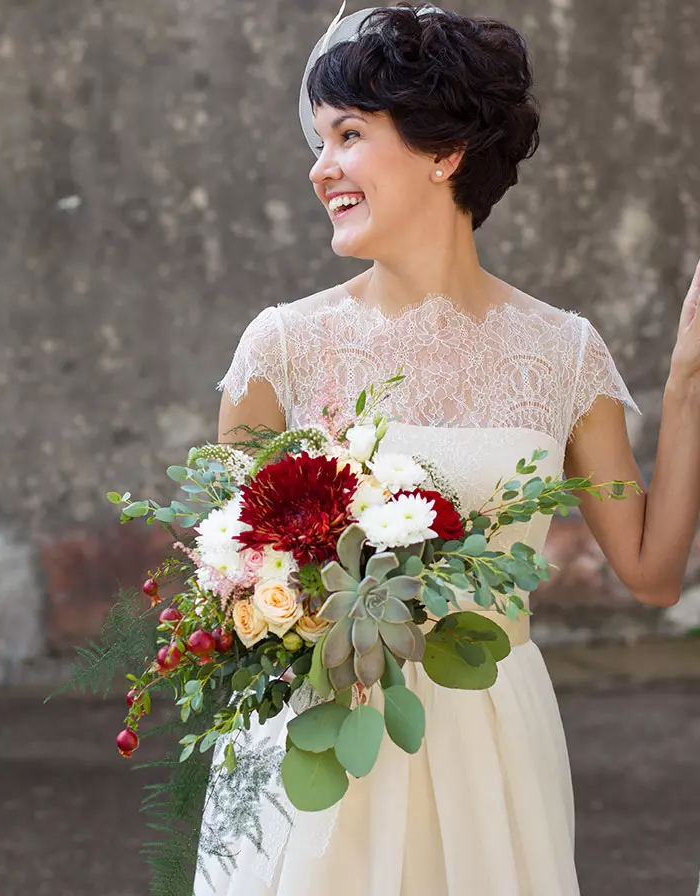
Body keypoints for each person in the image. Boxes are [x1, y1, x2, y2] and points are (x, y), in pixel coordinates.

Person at [194, 4, 700, 894]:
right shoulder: (278, 349)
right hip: (321, 742)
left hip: (487, 737)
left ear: (444, 152)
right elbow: (226, 585)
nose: (321, 169)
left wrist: (689, 378)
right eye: (318, 141)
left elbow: (654, 575)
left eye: (348, 134)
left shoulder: (564, 354)